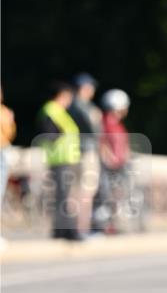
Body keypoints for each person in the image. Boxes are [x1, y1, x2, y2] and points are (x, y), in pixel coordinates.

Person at [36, 81, 82, 240]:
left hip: (65, 158)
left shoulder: (57, 111)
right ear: (61, 95)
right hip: (60, 159)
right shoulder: (51, 110)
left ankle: (61, 230)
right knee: (64, 197)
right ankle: (68, 231)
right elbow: (49, 134)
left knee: (63, 196)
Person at [91, 89, 132, 233]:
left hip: (118, 166)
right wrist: (110, 159)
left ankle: (112, 225)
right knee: (106, 196)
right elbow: (101, 142)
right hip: (109, 167)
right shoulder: (105, 123)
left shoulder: (116, 124)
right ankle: (102, 226)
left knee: (116, 197)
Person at [68, 72, 102, 235]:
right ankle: (81, 229)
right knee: (86, 191)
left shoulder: (69, 105)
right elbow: (95, 130)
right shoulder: (83, 107)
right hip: (86, 152)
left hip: (73, 152)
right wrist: (96, 117)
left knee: (75, 190)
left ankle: (74, 228)